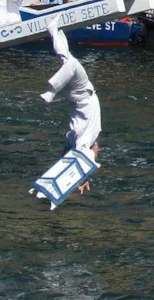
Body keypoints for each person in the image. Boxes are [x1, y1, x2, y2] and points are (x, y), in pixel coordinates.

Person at [40, 20, 101, 185]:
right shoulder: (82, 140)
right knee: (69, 61)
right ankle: (53, 30)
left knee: (69, 61)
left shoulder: (75, 139)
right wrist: (85, 179)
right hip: (81, 94)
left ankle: (51, 92)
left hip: (78, 95)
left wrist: (79, 177)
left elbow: (70, 155)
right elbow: (94, 150)